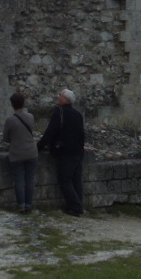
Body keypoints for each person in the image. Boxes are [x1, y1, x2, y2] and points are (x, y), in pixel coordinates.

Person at [37, 88, 86, 216]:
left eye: (60, 95)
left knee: (64, 180)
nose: (58, 97)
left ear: (65, 99)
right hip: (78, 152)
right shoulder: (77, 114)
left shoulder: (59, 112)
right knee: (76, 180)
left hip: (66, 152)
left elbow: (50, 132)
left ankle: (76, 208)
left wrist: (39, 147)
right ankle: (78, 205)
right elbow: (82, 134)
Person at [2, 92, 39, 213]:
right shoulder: (31, 116)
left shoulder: (10, 120)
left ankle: (21, 205)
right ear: (23, 103)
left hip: (17, 153)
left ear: (12, 104)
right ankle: (29, 204)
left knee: (18, 180)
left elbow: (5, 138)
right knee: (30, 179)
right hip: (32, 152)